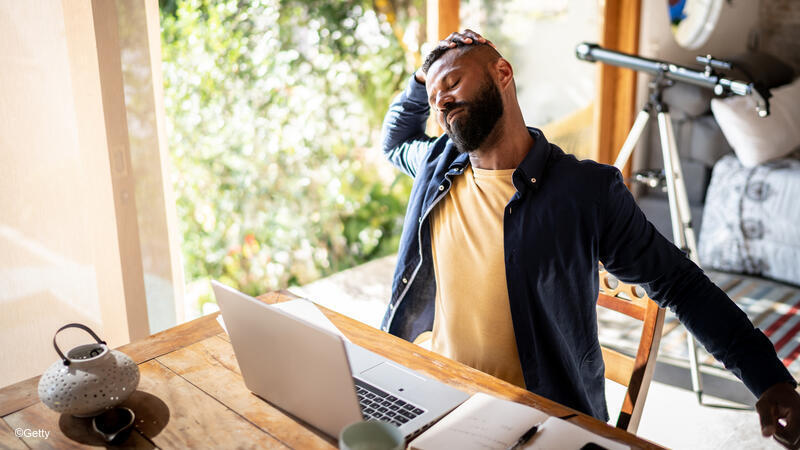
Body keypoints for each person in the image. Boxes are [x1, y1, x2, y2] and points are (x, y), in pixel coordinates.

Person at [378, 29, 800, 448]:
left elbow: (681, 284)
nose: (442, 102)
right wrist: (423, 79)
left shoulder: (584, 192)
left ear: (502, 73)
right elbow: (394, 140)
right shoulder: (437, 165)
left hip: (535, 421)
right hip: (439, 391)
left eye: (452, 83)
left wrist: (767, 378)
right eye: (434, 100)